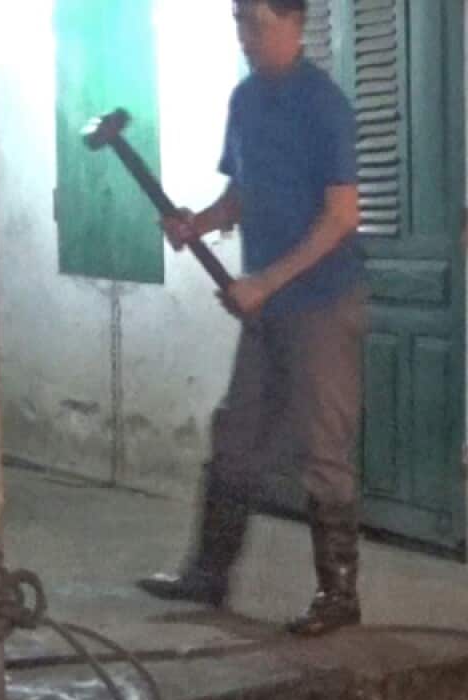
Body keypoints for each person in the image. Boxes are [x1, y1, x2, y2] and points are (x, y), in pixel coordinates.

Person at [136, 0, 366, 637]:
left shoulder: (324, 106)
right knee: (236, 435)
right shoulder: (244, 101)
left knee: (323, 446)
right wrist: (200, 223)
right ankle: (209, 573)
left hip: (321, 301)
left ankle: (339, 596)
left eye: (256, 23)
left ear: (293, 22)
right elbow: (244, 191)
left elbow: (342, 216)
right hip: (267, 305)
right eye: (238, 22)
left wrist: (264, 280)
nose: (245, 36)